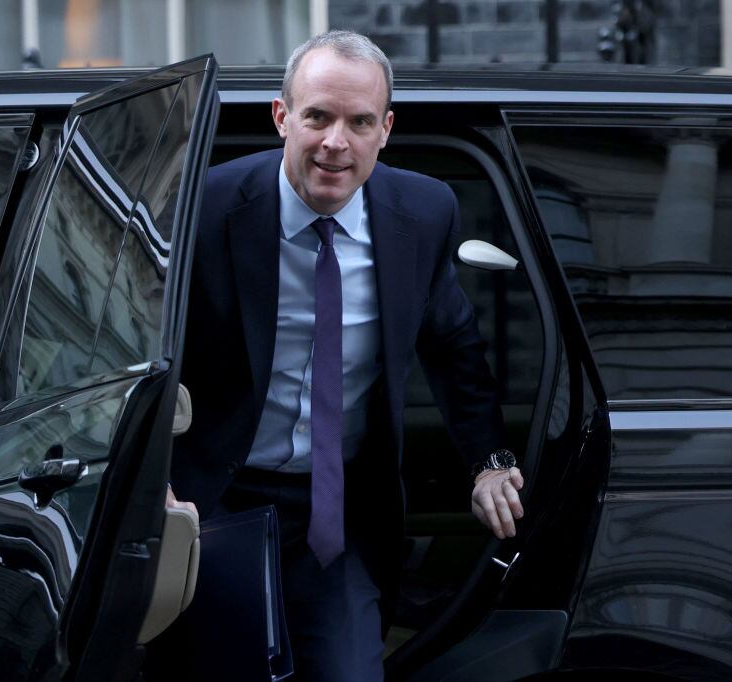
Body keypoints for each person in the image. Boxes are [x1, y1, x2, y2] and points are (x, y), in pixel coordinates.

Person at [171, 30, 524, 681]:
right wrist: (157, 487)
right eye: (318, 117)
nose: (337, 142)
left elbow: (454, 348)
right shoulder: (207, 205)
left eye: (360, 122)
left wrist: (490, 462)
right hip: (215, 501)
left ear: (385, 129)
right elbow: (147, 354)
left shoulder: (422, 212)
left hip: (339, 513)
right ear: (282, 117)